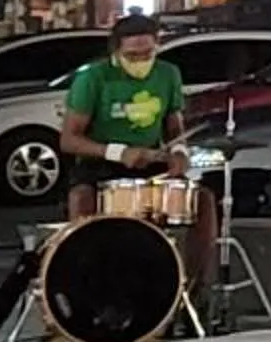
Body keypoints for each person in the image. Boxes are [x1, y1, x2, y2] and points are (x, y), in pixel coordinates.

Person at [59, 14, 186, 222]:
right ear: (116, 52)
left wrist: (179, 152)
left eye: (147, 54)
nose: (141, 61)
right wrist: (119, 152)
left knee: (202, 200)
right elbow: (69, 140)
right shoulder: (92, 78)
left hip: (149, 160)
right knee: (81, 198)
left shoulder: (168, 73)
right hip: (101, 161)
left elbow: (174, 126)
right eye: (132, 55)